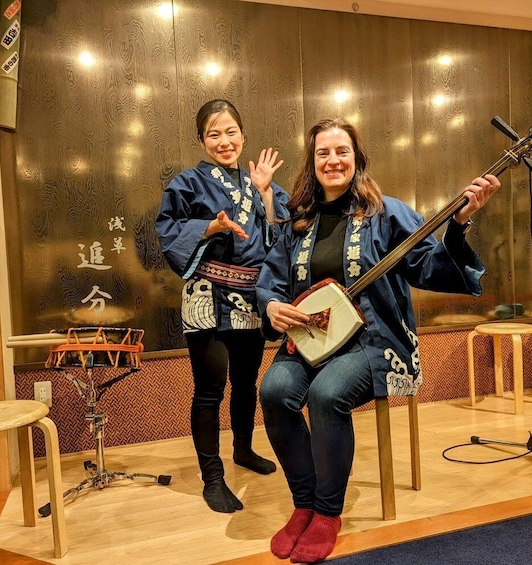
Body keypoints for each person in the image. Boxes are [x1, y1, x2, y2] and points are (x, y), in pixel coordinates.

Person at [256, 117, 500, 563]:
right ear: (312, 163)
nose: (333, 160)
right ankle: (304, 504)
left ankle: (328, 514)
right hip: (311, 341)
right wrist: (271, 306)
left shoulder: (386, 212)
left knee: (328, 394)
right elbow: (270, 280)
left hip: (376, 343)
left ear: (357, 158)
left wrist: (459, 224)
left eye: (341, 151)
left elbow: (428, 265)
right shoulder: (299, 222)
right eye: (323, 153)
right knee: (273, 391)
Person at [155, 99, 290, 513]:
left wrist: (265, 194)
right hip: (207, 295)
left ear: (243, 135)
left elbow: (281, 236)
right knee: (210, 390)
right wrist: (208, 227)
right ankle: (212, 478)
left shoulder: (260, 182)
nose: (224, 141)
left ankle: (244, 450)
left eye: (231, 131)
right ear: (201, 140)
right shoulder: (187, 183)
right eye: (214, 133)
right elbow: (167, 228)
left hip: (250, 297)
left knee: (247, 383)